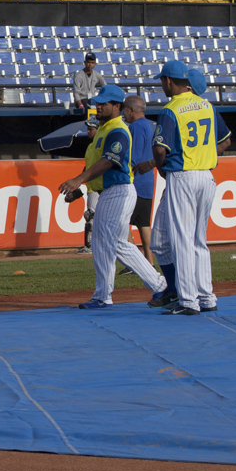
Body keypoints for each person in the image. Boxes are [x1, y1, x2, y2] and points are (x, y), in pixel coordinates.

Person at [58, 85, 167, 309]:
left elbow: (108, 161)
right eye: (98, 103)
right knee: (115, 243)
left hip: (119, 190)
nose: (98, 106)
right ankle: (159, 285)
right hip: (109, 191)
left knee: (103, 241)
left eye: (104, 104)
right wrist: (79, 190)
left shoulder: (117, 129)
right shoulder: (103, 130)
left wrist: (78, 180)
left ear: (117, 107)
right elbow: (95, 168)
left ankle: (103, 295)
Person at [144, 62, 230, 315]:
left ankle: (188, 301)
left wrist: (160, 166)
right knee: (198, 240)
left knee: (181, 239)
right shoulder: (207, 106)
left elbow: (160, 149)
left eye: (162, 80)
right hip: (206, 175)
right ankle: (207, 297)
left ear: (170, 81)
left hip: (183, 176)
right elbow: (226, 141)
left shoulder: (171, 109)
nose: (161, 85)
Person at [120, 95, 156, 273]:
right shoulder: (151, 125)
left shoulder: (135, 127)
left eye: (124, 109)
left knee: (123, 221)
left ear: (131, 110)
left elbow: (132, 158)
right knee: (144, 223)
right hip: (148, 181)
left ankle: (134, 263)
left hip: (136, 182)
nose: (123, 113)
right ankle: (150, 263)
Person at [78, 118, 100, 255]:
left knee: (91, 215)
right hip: (91, 186)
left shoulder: (100, 145)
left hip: (99, 186)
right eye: (88, 129)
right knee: (91, 215)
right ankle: (91, 245)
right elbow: (88, 166)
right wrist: (79, 182)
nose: (88, 132)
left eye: (91, 129)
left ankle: (91, 246)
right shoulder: (90, 147)